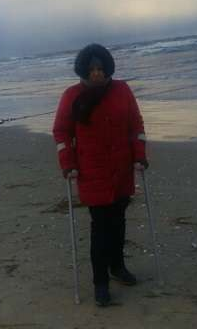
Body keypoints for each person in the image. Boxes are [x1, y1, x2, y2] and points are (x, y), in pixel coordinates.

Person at [53, 43, 148, 307]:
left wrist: (140, 155)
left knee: (119, 221)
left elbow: (136, 124)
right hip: (92, 170)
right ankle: (100, 283)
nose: (97, 73)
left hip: (122, 168)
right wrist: (67, 163)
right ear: (83, 70)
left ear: (108, 68)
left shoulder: (122, 90)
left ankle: (118, 267)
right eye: (92, 69)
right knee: (100, 227)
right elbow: (61, 132)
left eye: (101, 68)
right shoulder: (72, 96)